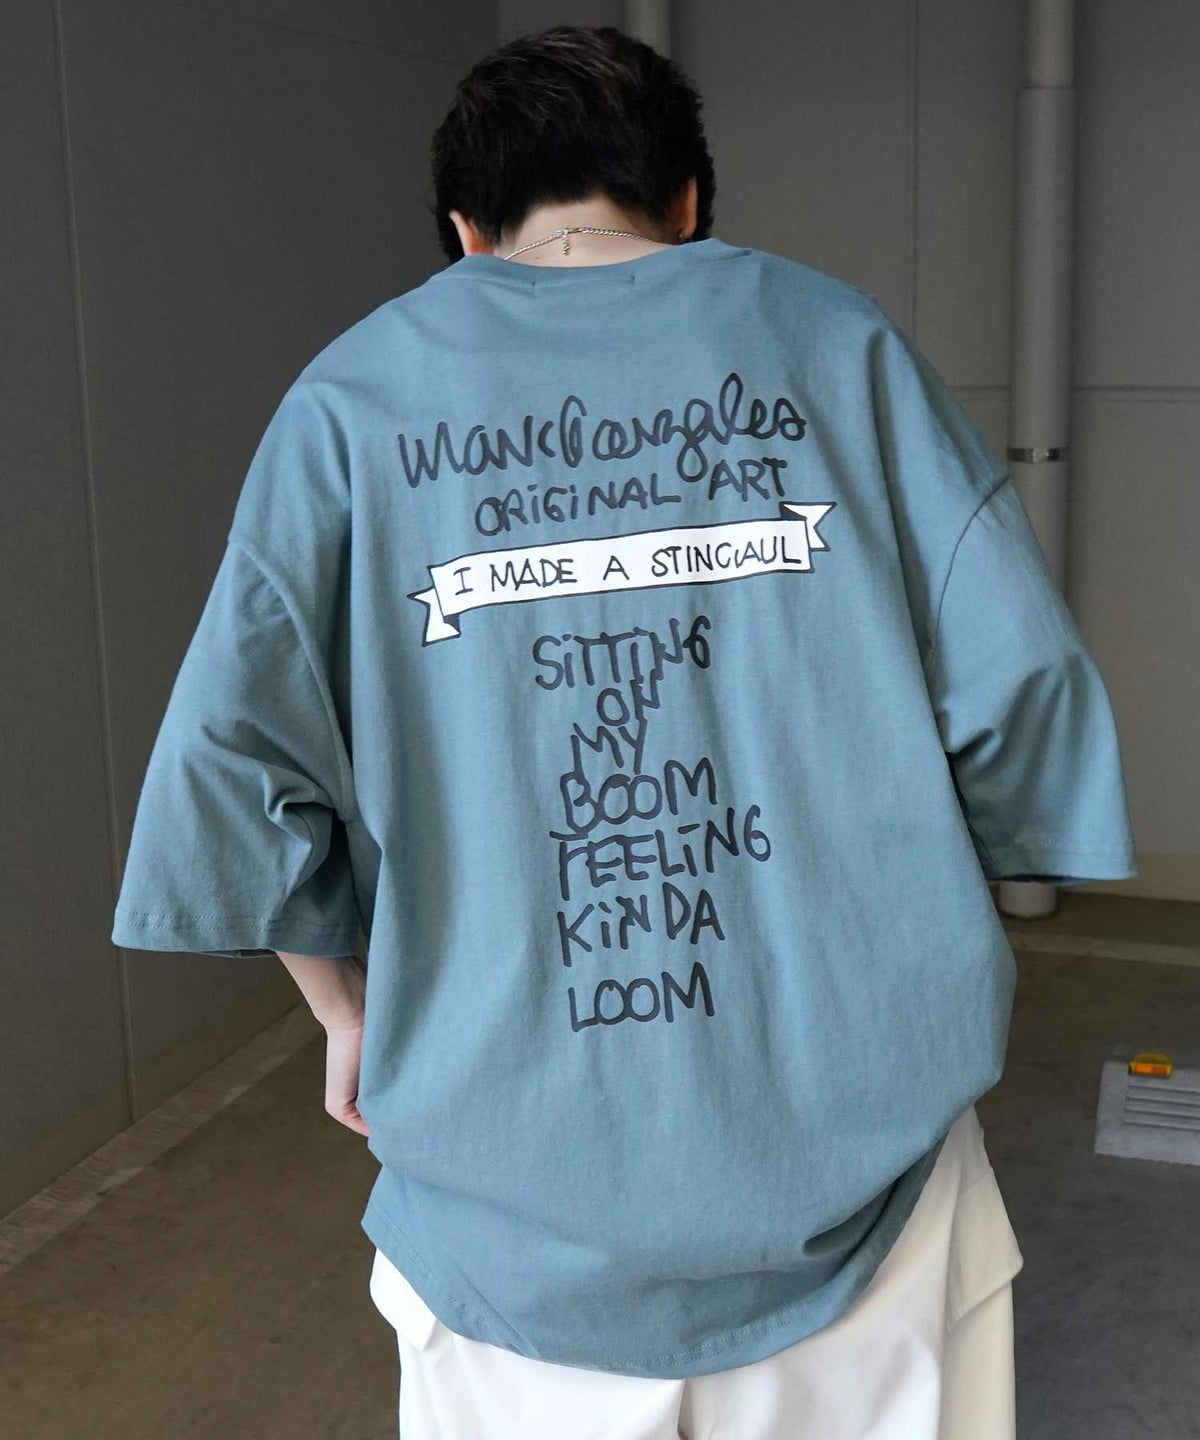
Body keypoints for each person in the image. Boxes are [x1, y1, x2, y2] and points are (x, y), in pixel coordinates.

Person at [110, 22, 1138, 1440]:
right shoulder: (838, 345)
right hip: (867, 1184)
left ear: (467, 232)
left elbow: (234, 765)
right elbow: (1019, 699)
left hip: (504, 1215)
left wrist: (345, 1012)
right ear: (689, 202)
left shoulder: (351, 398)